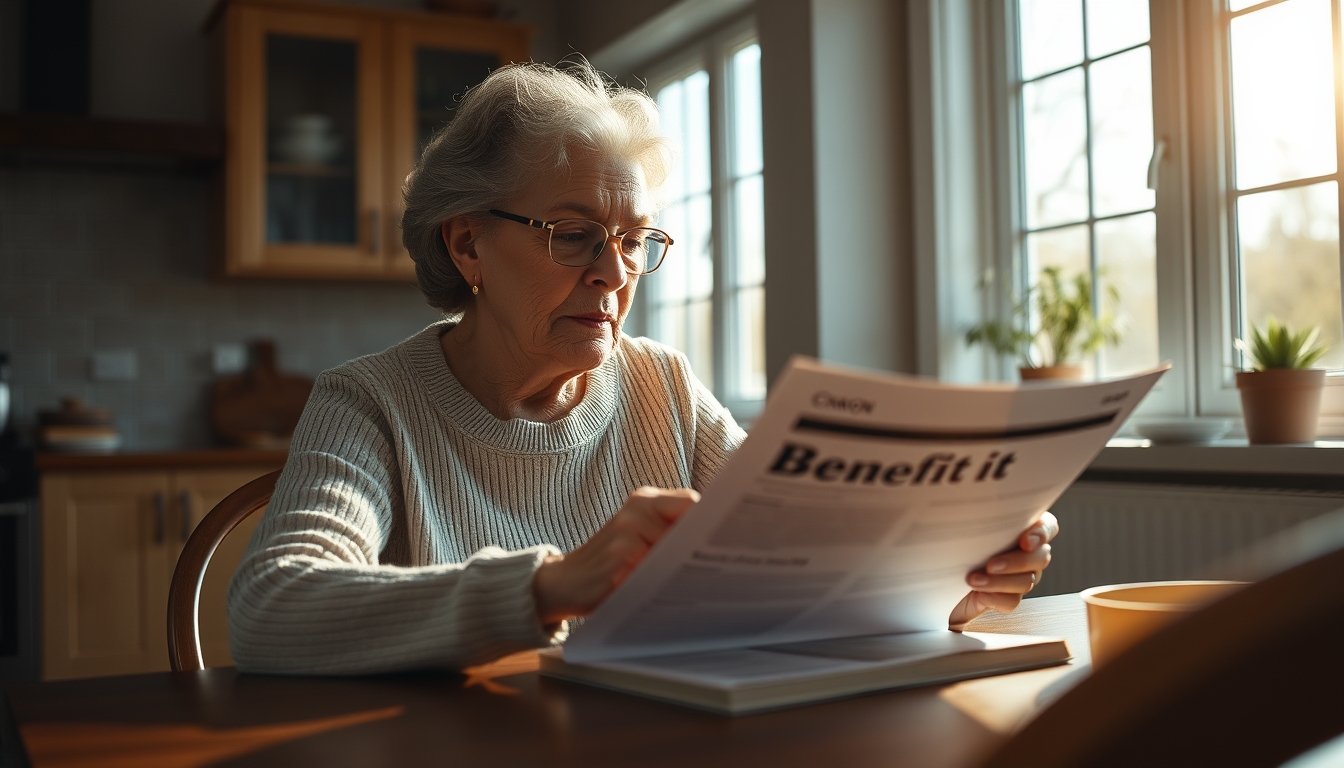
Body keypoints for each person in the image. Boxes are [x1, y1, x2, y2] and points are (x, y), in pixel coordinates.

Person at [226, 60, 1058, 675]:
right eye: (572, 233)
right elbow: (272, 607)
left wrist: (958, 577)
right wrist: (550, 585)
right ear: (467, 242)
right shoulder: (370, 402)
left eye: (632, 241)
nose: (614, 273)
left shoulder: (661, 384)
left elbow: (808, 581)